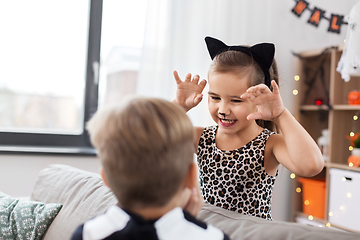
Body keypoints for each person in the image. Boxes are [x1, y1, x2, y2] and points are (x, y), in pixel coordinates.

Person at [173, 36, 324, 220]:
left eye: (236, 100)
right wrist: (176, 108)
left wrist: (280, 114)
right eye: (215, 97)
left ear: (258, 97)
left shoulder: (270, 144)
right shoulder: (200, 137)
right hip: (209, 233)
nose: (222, 110)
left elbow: (312, 166)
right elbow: (150, 146)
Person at [71, 97, 230, 240]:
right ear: (190, 177)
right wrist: (187, 222)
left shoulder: (87, 233)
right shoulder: (213, 236)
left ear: (105, 178)